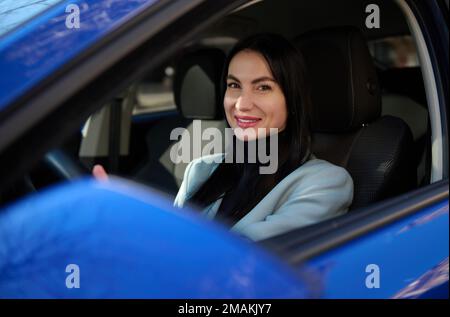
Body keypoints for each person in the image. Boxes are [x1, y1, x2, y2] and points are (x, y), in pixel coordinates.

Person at [94, 33, 354, 241]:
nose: (241, 104)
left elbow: (237, 260)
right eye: (234, 85)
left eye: (263, 87)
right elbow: (171, 243)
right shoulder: (201, 169)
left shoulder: (324, 182)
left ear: (292, 99)